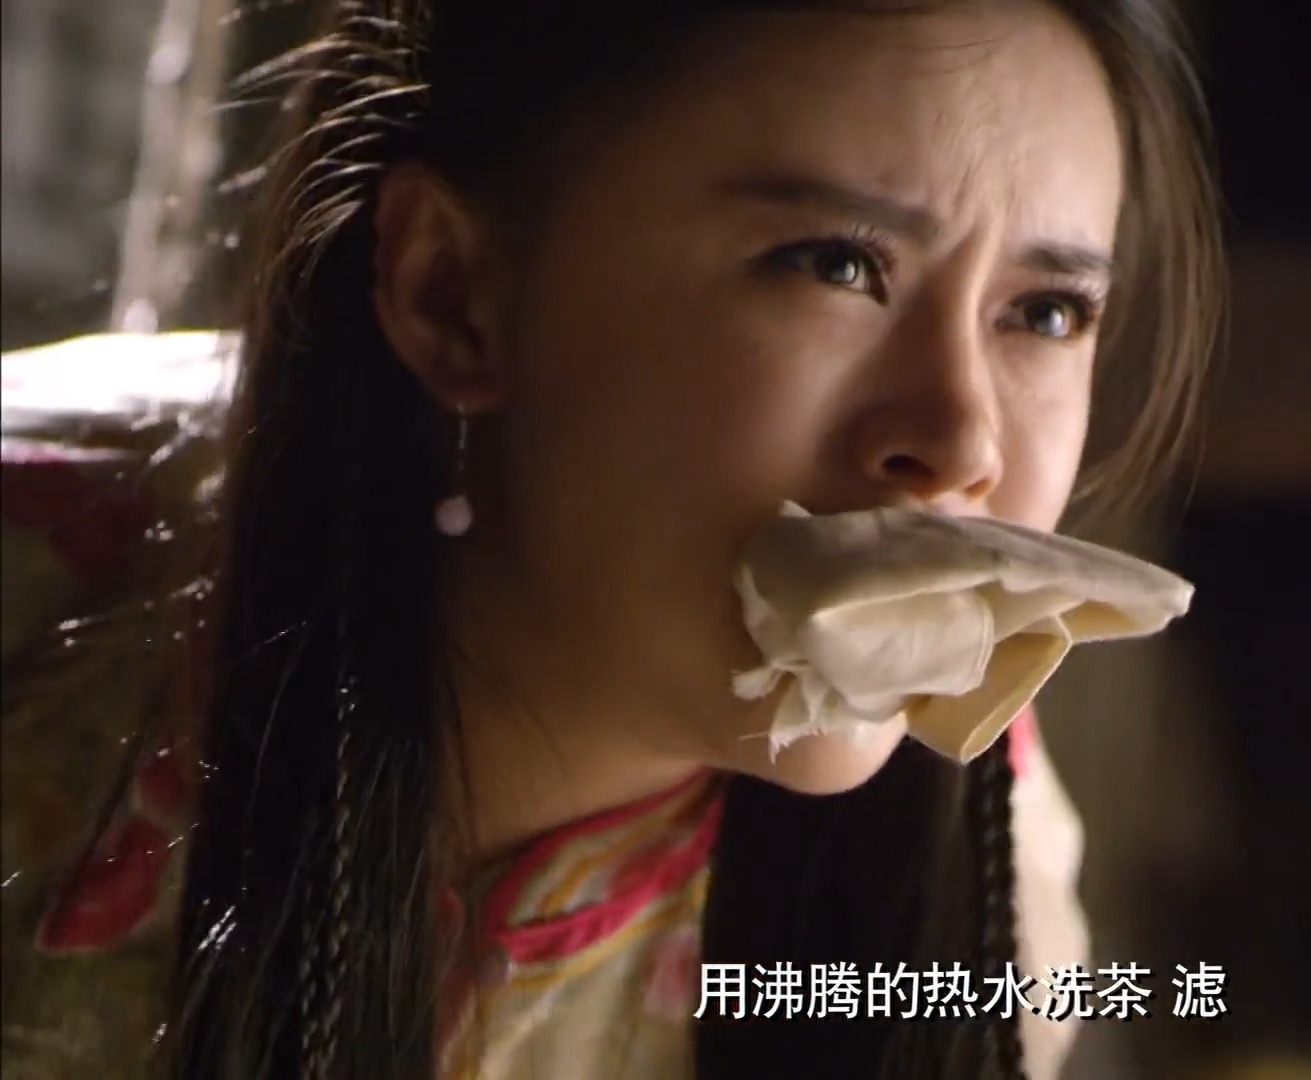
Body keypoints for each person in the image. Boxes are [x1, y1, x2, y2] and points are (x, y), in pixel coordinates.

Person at [0, 0, 1224, 1076]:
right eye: (834, 264)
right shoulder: (37, 606)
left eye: (1046, 313)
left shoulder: (992, 874)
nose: (960, 441)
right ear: (453, 295)